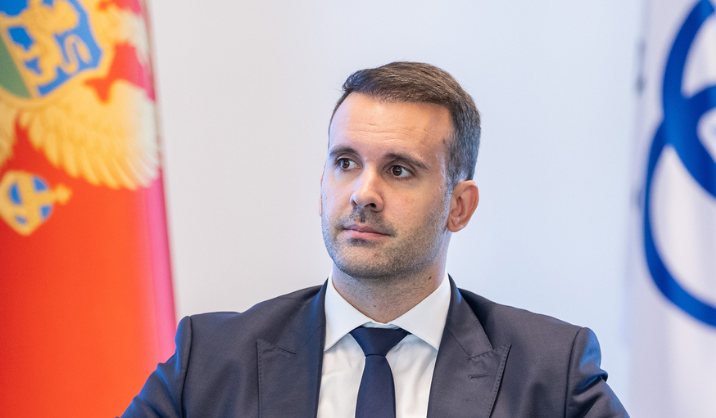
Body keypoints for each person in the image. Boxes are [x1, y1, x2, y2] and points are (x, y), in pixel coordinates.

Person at [122, 62, 628, 418]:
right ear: (322, 184)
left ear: (459, 206)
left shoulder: (551, 374)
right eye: (345, 162)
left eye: (399, 169)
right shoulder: (210, 360)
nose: (363, 193)